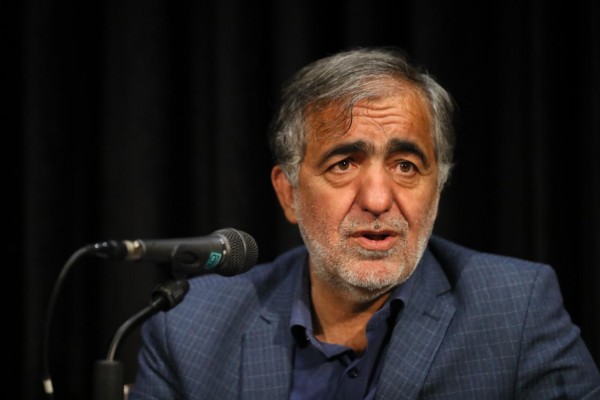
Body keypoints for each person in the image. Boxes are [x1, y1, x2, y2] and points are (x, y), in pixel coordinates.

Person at [128, 47, 600, 399]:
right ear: (289, 193)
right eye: (344, 164)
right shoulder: (189, 329)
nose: (377, 200)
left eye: (406, 166)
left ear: (437, 190)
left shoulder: (515, 311)